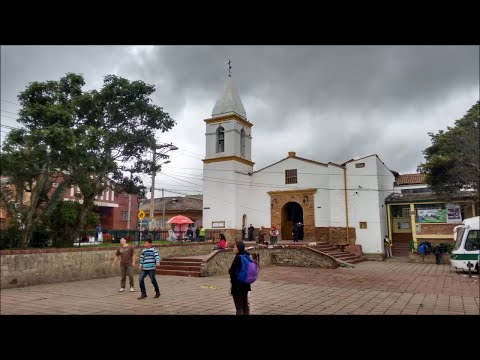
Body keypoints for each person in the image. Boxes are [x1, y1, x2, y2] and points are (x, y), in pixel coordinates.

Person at [228, 241, 251, 315]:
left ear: (238, 248)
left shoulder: (238, 258)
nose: (233, 249)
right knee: (245, 305)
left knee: (239, 307)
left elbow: (231, 271)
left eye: (235, 247)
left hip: (238, 286)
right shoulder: (246, 255)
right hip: (246, 284)